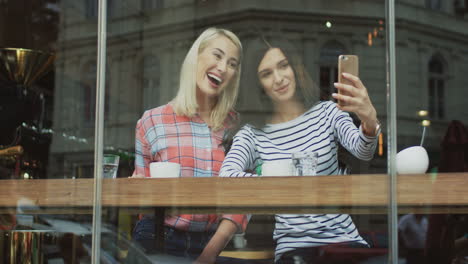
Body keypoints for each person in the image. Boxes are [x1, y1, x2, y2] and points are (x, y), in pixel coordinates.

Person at [220, 35, 381, 263]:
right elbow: (226, 177)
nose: (278, 78)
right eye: (266, 74)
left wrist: (370, 121)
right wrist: (278, 179)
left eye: (283, 66)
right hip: (294, 249)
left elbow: (363, 151)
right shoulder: (252, 133)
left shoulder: (327, 112)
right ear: (258, 84)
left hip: (344, 242)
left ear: (294, 67)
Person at [131, 27, 248, 264]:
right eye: (217, 55)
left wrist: (209, 254)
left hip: (211, 243)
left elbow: (242, 201)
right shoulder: (151, 121)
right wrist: (139, 190)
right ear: (197, 56)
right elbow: (140, 195)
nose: (223, 68)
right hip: (156, 237)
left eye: (232, 63)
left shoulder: (236, 127)